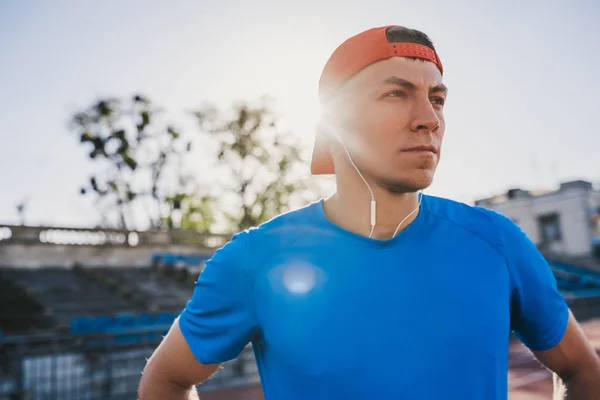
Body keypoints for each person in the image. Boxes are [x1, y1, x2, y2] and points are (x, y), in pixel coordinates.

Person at [138, 25, 600, 399]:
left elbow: (583, 371)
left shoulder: (498, 241)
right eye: (397, 94)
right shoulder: (253, 260)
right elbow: (166, 380)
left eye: (437, 99)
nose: (430, 119)